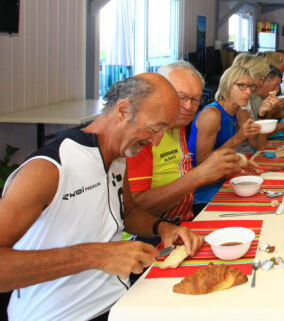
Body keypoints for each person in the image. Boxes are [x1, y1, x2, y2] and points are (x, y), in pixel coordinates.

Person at [0, 74, 202, 321]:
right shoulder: (49, 169)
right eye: (155, 128)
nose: (157, 140)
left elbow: (128, 214)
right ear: (123, 110)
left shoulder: (118, 158)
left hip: (119, 303)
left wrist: (162, 228)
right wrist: (97, 255)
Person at [127, 62, 260, 224]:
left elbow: (191, 176)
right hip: (156, 232)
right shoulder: (141, 135)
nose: (188, 106)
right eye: (181, 97)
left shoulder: (178, 127)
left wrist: (230, 169)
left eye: (195, 99)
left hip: (184, 219)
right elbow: (133, 211)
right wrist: (198, 176)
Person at [188, 65, 264, 205]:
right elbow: (202, 162)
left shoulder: (239, 111)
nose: (248, 92)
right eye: (242, 86)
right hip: (201, 189)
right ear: (227, 85)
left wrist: (263, 116)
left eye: (250, 87)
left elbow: (258, 145)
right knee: (251, 203)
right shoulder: (211, 115)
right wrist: (238, 138)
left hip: (221, 178)